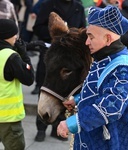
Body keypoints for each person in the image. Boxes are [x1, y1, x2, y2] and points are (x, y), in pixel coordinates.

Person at [57, 5, 128, 149]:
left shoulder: (122, 68)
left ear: (108, 39)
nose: (87, 42)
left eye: (91, 37)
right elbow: (100, 90)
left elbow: (111, 107)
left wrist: (71, 124)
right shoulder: (106, 57)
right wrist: (77, 100)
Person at [32, 0, 86, 142]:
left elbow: (83, 29)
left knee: (65, 92)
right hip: (54, 56)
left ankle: (58, 127)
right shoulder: (49, 4)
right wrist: (61, 35)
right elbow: (38, 27)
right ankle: (41, 129)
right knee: (47, 88)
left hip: (69, 59)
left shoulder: (78, 7)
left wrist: (72, 37)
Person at [0, 19, 34, 150]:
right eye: (14, 33)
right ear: (6, 35)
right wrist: (24, 55)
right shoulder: (11, 56)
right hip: (8, 119)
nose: (16, 36)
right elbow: (29, 79)